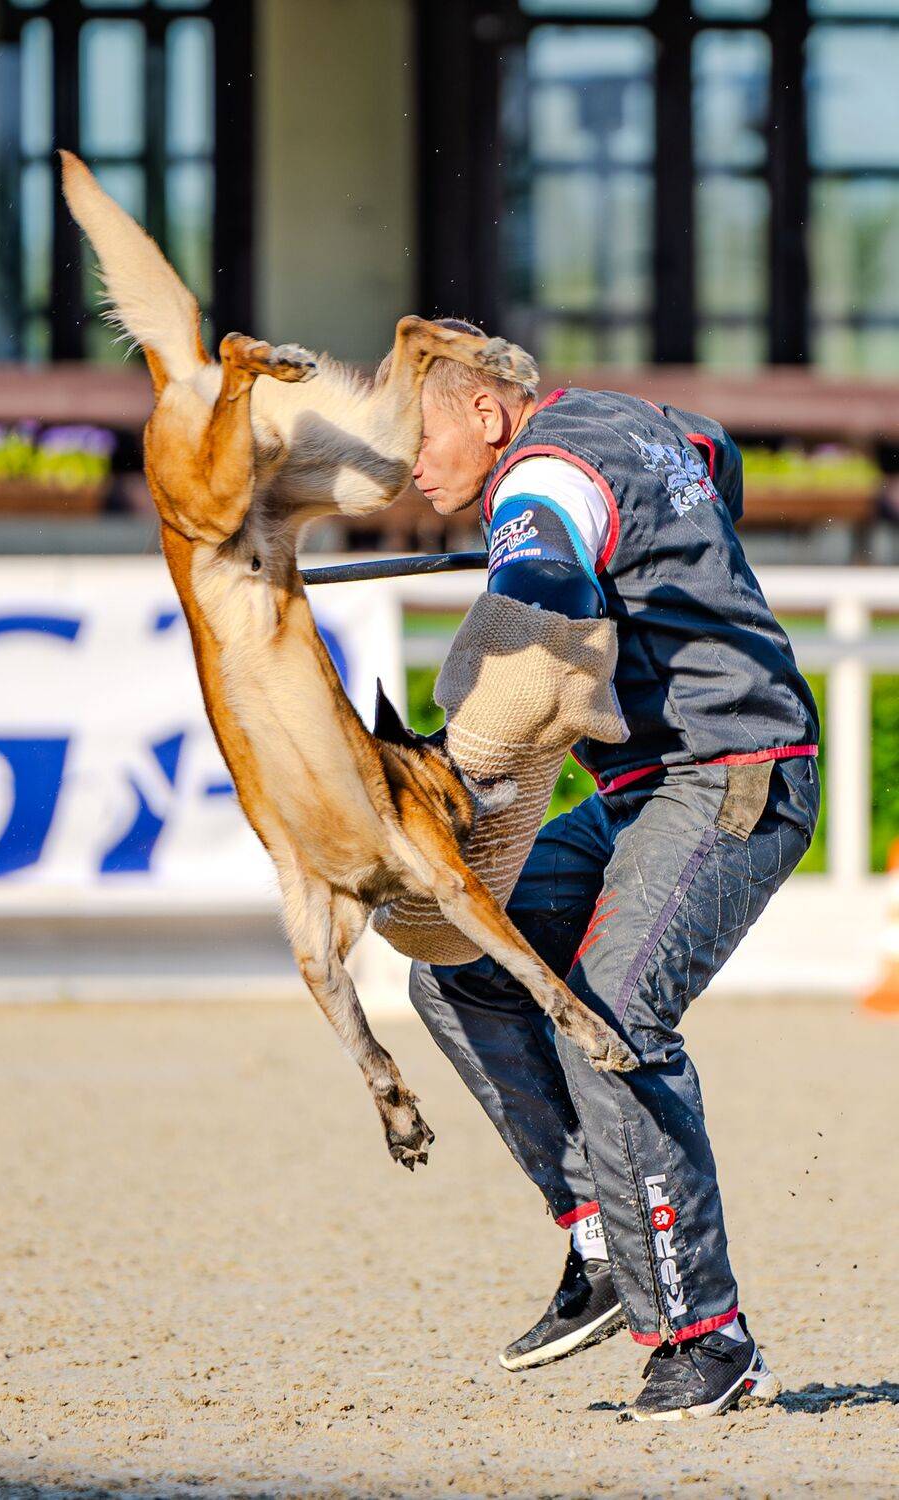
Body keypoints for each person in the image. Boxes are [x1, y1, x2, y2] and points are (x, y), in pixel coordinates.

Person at [405, 320, 820, 1421]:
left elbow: (541, 572)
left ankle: (704, 1338)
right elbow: (713, 455)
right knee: (457, 960)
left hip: (733, 772)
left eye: (420, 432)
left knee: (609, 1014)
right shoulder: (625, 418)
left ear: (487, 416)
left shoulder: (535, 478)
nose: (407, 461)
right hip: (647, 791)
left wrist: (530, 561)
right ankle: (601, 1241)